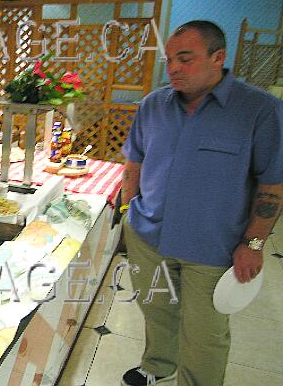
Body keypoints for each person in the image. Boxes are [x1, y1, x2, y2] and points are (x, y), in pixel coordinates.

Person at [120, 20, 283, 386]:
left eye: (185, 58)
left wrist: (253, 244)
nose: (174, 68)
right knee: (156, 309)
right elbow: (135, 161)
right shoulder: (153, 105)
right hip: (149, 236)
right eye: (170, 60)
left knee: (205, 332)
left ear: (218, 58)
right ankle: (159, 365)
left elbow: (272, 184)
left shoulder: (259, 109)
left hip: (212, 245)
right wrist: (125, 216)